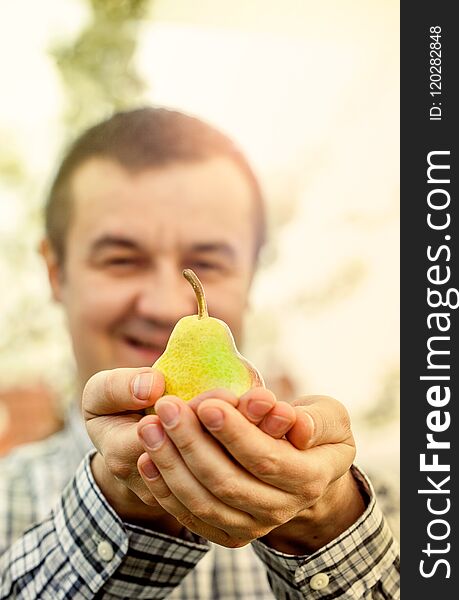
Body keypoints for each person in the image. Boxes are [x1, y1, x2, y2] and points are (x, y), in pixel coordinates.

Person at [0, 107, 399, 599]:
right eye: (121, 259)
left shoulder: (376, 509)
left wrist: (322, 528)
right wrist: (118, 507)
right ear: (56, 273)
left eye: (208, 261)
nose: (168, 305)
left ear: (251, 278)